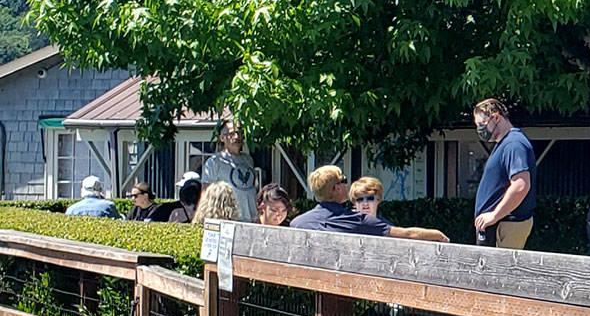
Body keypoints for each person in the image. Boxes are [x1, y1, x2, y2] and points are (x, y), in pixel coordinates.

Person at [291, 166, 448, 240]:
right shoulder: (355, 220)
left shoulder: (298, 223)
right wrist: (440, 236)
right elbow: (408, 234)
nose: (346, 184)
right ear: (337, 188)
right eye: (344, 180)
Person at [471, 99, 536, 249]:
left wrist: (494, 215)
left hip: (505, 224)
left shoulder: (514, 144)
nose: (480, 129)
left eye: (482, 123)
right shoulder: (506, 143)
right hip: (498, 225)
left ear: (496, 117)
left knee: (500, 265)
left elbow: (521, 185)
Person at [202, 120, 259, 221]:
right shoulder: (215, 162)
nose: (237, 137)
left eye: (240, 133)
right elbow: (206, 192)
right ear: (222, 138)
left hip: (252, 218)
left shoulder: (248, 159)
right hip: (230, 220)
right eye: (231, 133)